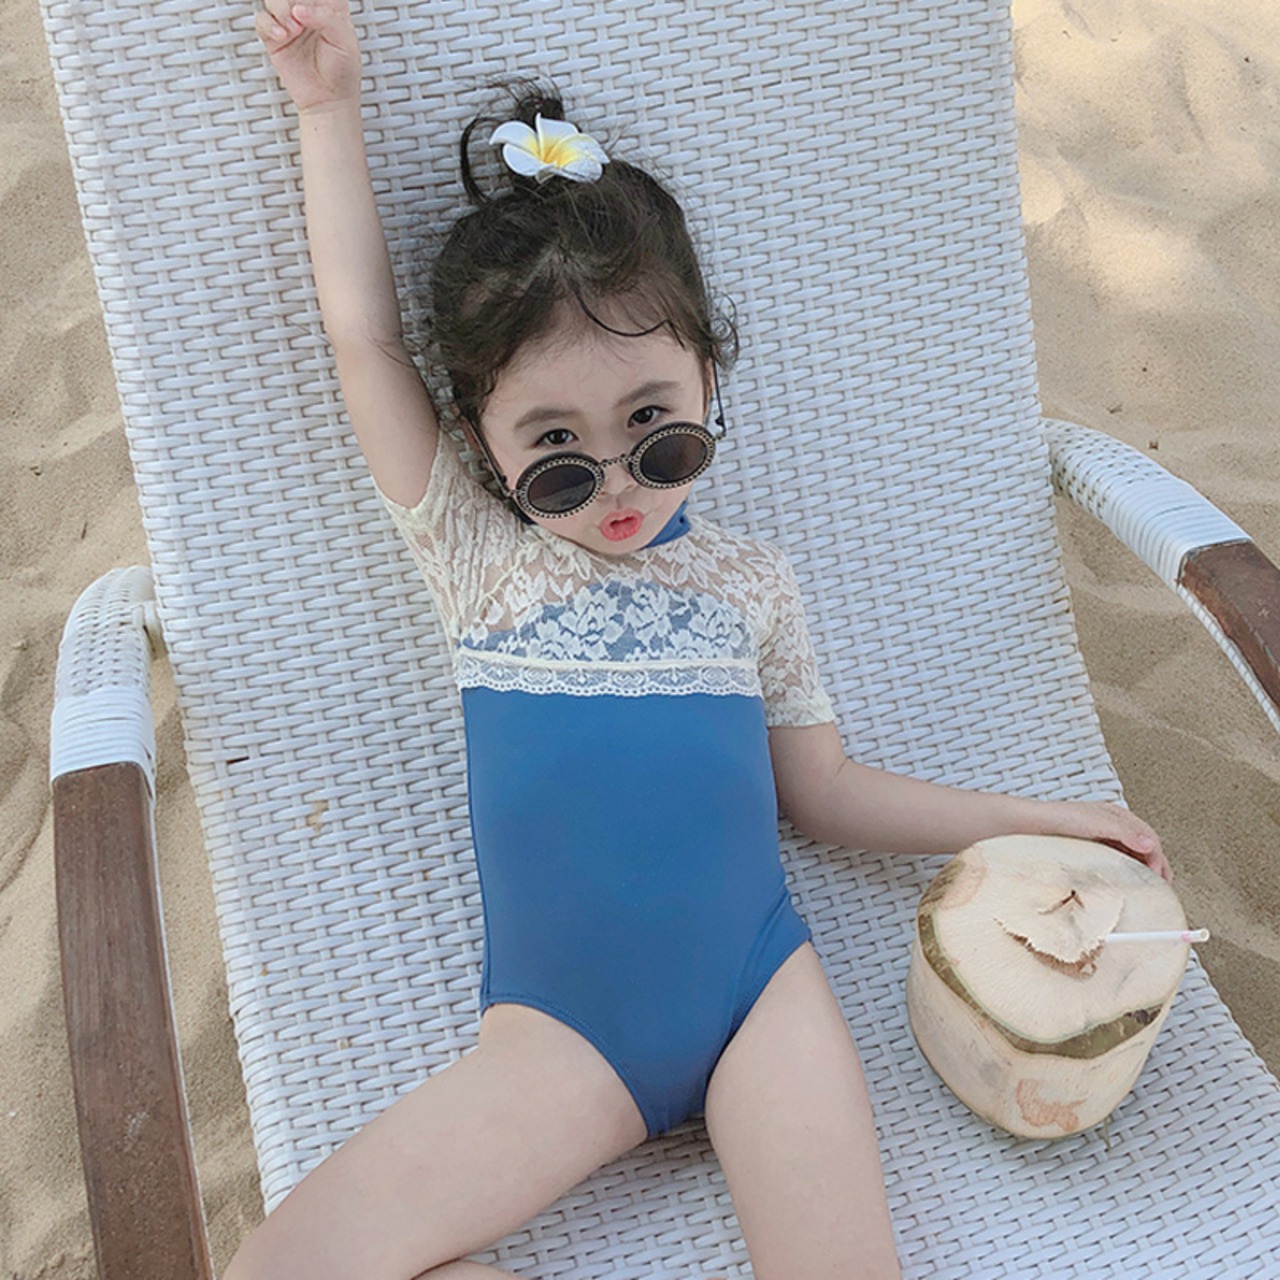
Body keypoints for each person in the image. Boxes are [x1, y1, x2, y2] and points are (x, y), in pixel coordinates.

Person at [232, 3, 1172, 1277]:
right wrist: (326, 109)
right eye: (554, 452)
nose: (615, 481)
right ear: (481, 447)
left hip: (759, 997)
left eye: (653, 426)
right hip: (565, 1033)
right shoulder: (480, 559)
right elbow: (362, 338)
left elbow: (823, 791)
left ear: (708, 383)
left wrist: (1043, 816)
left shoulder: (749, 584)